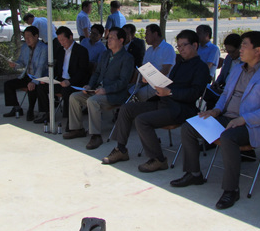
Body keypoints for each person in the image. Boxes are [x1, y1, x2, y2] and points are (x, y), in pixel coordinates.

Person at [170, 31, 260, 211]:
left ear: (258, 50)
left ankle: (231, 189)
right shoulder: (237, 69)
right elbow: (225, 94)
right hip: (227, 118)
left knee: (227, 137)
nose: (240, 49)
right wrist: (216, 110)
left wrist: (244, 119)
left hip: (250, 125)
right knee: (189, 127)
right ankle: (193, 173)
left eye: (244, 46)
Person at [103, 29, 210, 172]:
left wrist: (170, 92)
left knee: (142, 120)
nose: (181, 49)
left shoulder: (201, 68)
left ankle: (158, 159)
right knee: (126, 108)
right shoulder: (180, 64)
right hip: (164, 102)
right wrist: (154, 82)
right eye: (179, 46)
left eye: (184, 45)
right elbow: (170, 84)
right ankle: (121, 149)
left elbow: (194, 94)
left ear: (195, 45)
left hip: (181, 109)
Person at [64, 27, 134, 150]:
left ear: (121, 40)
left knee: (93, 101)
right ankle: (77, 129)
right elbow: (96, 73)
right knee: (74, 97)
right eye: (108, 37)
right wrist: (89, 85)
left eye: (112, 38)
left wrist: (106, 90)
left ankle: (96, 135)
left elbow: (123, 82)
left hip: (114, 94)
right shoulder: (105, 54)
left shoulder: (127, 58)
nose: (108, 40)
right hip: (97, 90)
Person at [34, 26, 90, 126]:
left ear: (71, 37)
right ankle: (47, 113)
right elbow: (56, 68)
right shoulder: (60, 50)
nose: (62, 43)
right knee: (41, 87)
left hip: (74, 82)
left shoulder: (81, 51)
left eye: (63, 40)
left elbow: (83, 71)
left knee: (67, 91)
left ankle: (70, 120)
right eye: (59, 40)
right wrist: (48, 79)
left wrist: (70, 81)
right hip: (61, 80)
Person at [2, 26, 48, 121]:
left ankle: (32, 110)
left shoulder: (44, 48)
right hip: (27, 75)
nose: (27, 40)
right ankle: (16, 107)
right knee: (8, 85)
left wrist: (34, 81)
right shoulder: (25, 47)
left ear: (36, 36)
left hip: (40, 77)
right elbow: (21, 62)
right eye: (25, 37)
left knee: (32, 87)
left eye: (29, 37)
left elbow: (41, 67)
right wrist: (15, 65)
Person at [131, 23, 177, 102]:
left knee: (140, 93)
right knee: (129, 90)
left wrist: (150, 80)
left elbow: (166, 70)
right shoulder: (149, 50)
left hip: (161, 83)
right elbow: (143, 67)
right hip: (147, 81)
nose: (145, 37)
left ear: (155, 34)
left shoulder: (167, 48)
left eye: (147, 34)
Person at [204, 33, 242, 110]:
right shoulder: (229, 58)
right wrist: (217, 82)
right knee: (205, 91)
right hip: (223, 88)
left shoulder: (244, 62)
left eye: (232, 52)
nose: (230, 54)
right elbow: (222, 74)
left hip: (233, 92)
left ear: (239, 48)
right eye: (228, 52)